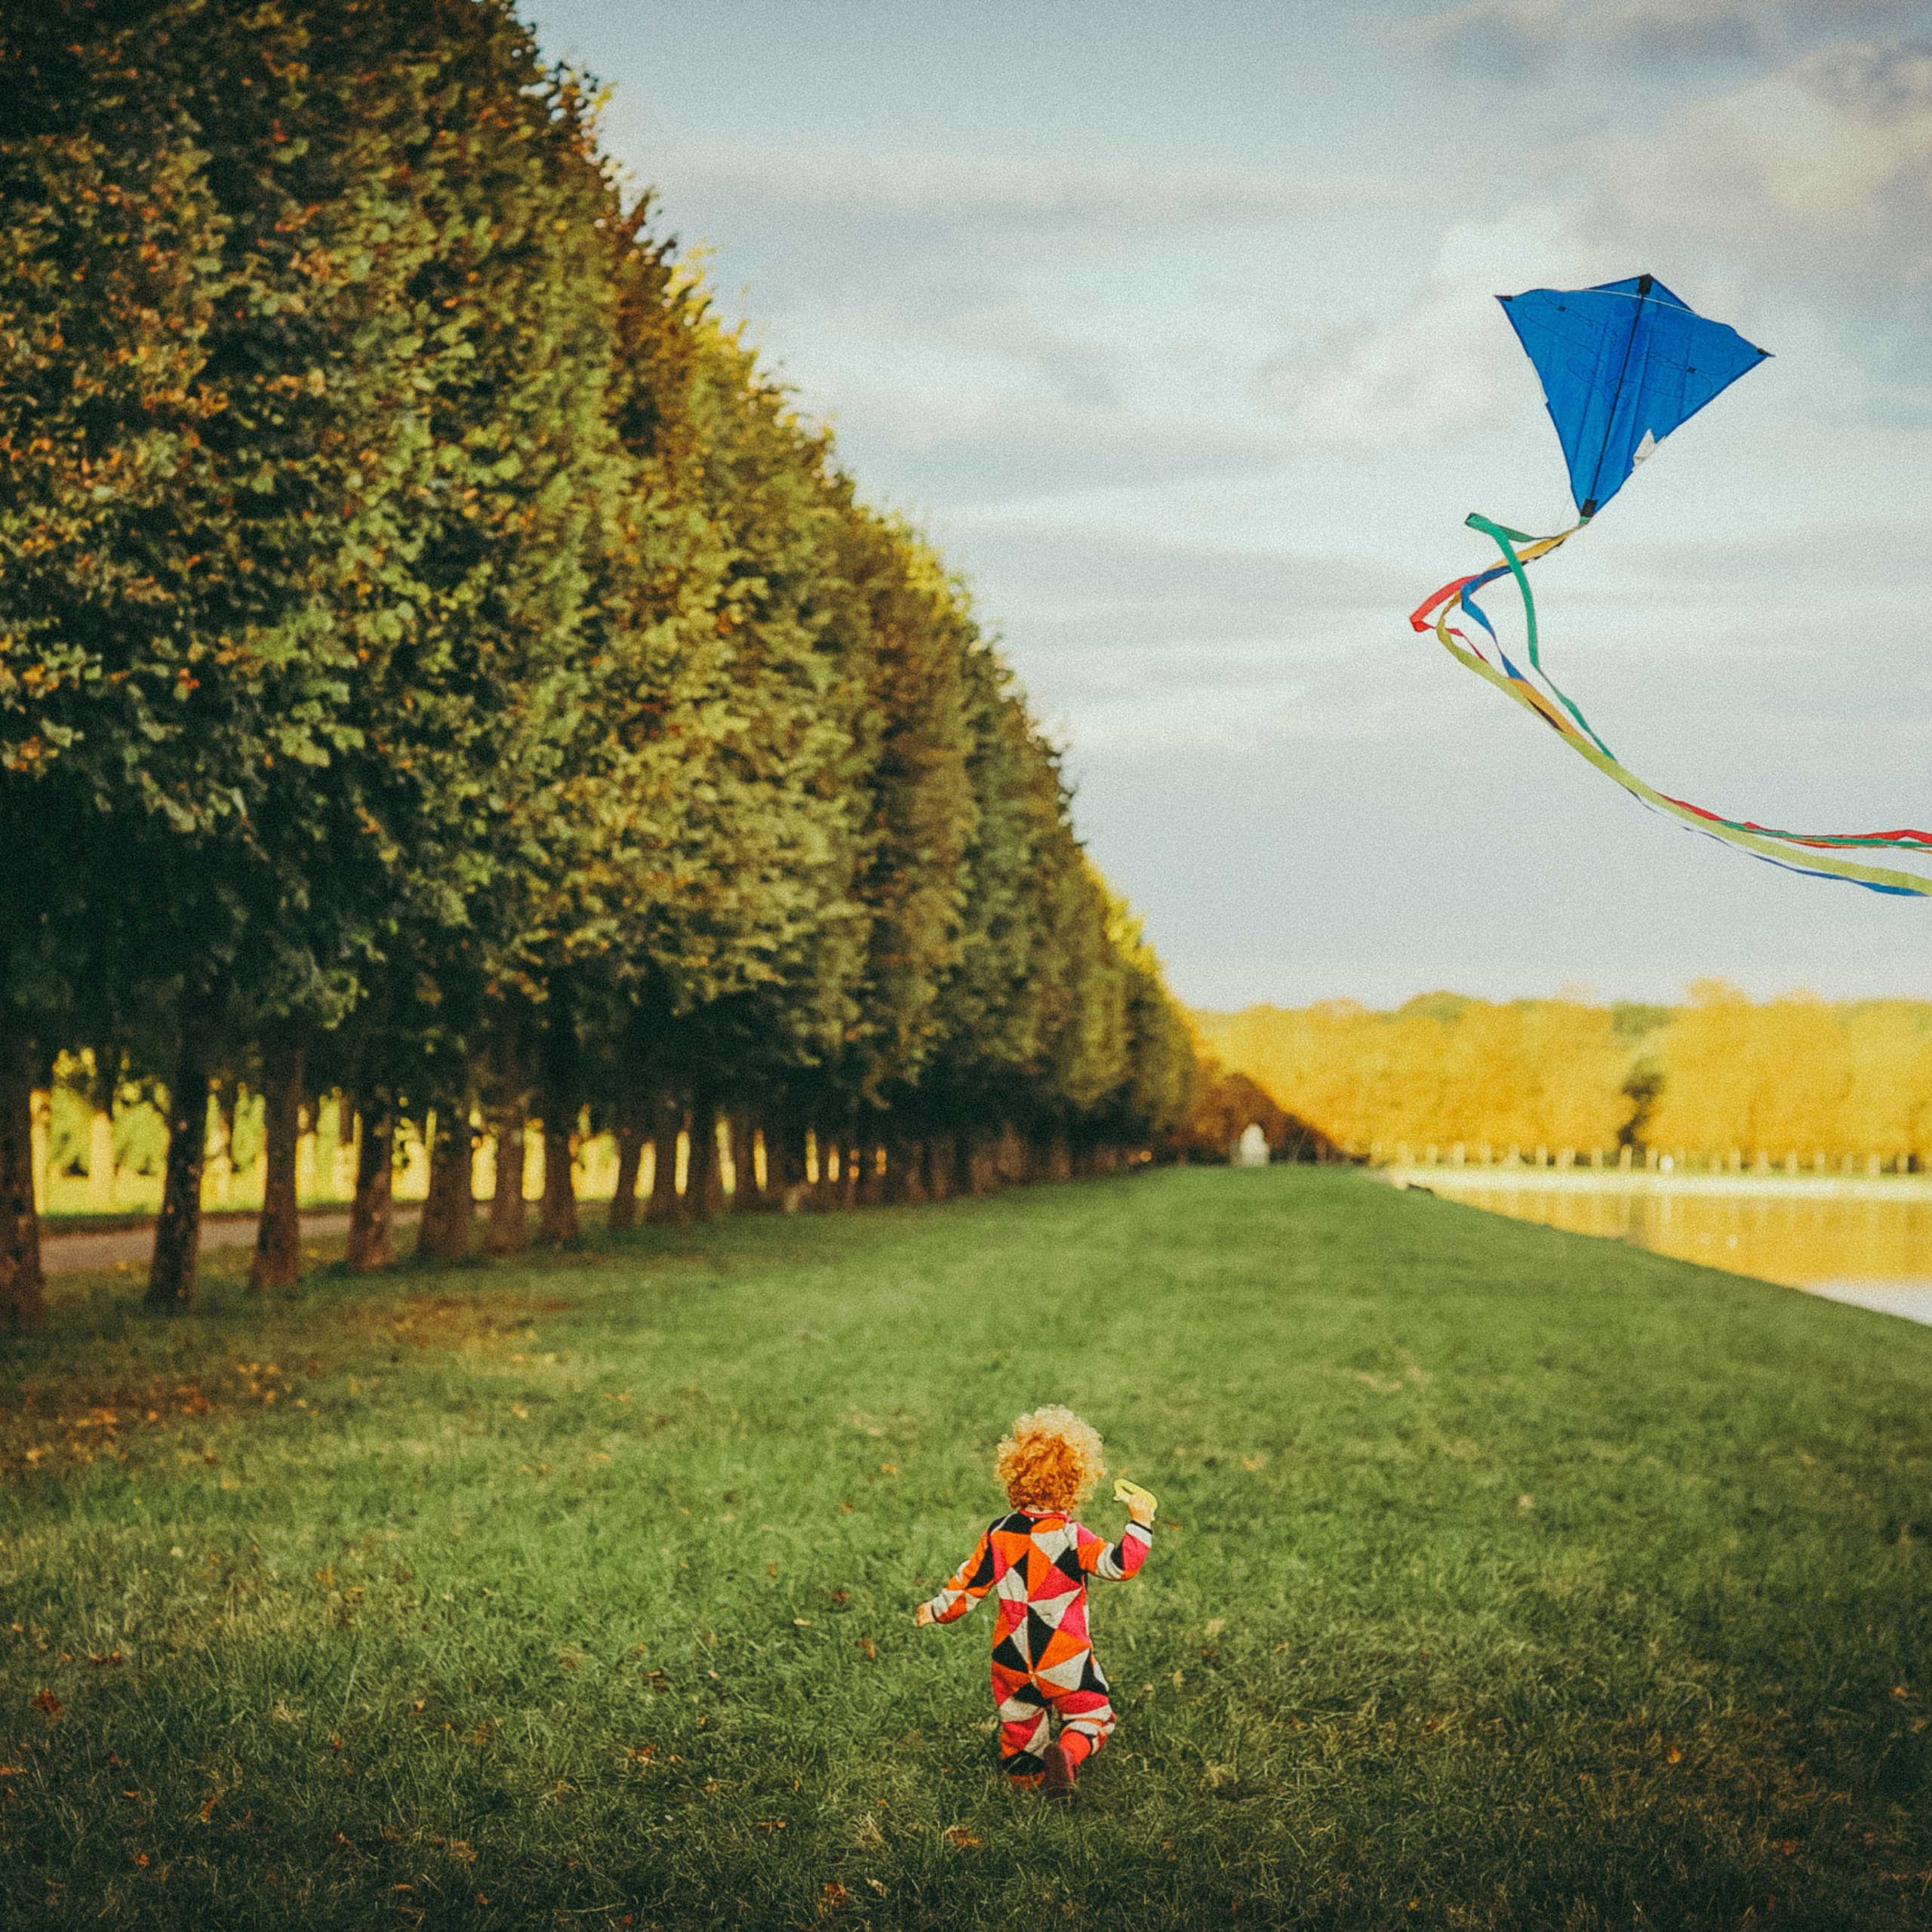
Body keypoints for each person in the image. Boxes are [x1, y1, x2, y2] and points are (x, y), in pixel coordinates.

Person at [914, 1405, 1156, 1798]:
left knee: (1021, 1724)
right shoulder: (1073, 1536)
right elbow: (1120, 1566)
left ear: (1012, 1472)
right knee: (1093, 1713)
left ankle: (1025, 1782)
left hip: (1010, 1658)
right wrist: (1140, 1522)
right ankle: (1068, 1753)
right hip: (1064, 1656)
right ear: (1077, 1481)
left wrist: (936, 1610)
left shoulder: (999, 1534)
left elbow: (969, 1586)